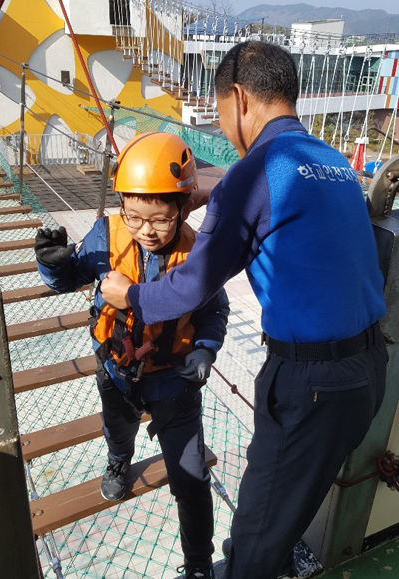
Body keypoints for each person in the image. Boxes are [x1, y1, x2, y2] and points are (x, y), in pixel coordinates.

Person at [101, 42, 389, 579]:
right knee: (289, 509)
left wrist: (130, 295)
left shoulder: (253, 172)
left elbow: (189, 289)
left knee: (254, 539)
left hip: (312, 382)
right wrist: (218, 193)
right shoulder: (330, 162)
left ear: (237, 98)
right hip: (369, 372)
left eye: (218, 113)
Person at [34, 132, 230, 579]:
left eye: (160, 219)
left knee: (192, 478)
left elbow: (215, 310)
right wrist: (53, 260)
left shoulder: (196, 252)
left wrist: (204, 350)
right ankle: (119, 461)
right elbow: (67, 279)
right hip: (117, 371)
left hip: (174, 382)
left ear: (183, 208)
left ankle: (198, 562)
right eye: (135, 216)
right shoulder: (108, 235)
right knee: (116, 431)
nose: (145, 231)